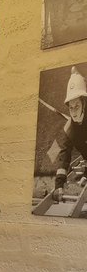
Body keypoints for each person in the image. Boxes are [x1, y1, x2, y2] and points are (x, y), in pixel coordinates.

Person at [53, 67, 87, 202]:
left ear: (84, 103)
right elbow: (64, 156)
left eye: (77, 106)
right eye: (71, 107)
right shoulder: (69, 129)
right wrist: (59, 185)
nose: (73, 112)